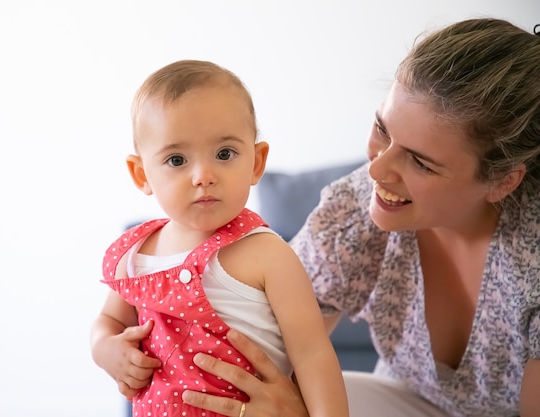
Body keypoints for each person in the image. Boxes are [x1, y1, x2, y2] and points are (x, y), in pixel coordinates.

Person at [178, 18, 540, 417]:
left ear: (503, 182)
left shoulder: (531, 260)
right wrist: (124, 343)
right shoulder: (354, 208)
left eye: (420, 162)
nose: (377, 171)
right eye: (383, 129)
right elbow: (261, 349)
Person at [89, 60, 349, 417]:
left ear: (256, 163)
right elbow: (110, 320)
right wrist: (105, 349)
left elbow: (312, 354)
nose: (203, 176)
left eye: (224, 154)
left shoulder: (268, 254)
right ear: (141, 174)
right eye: (177, 159)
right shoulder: (136, 254)